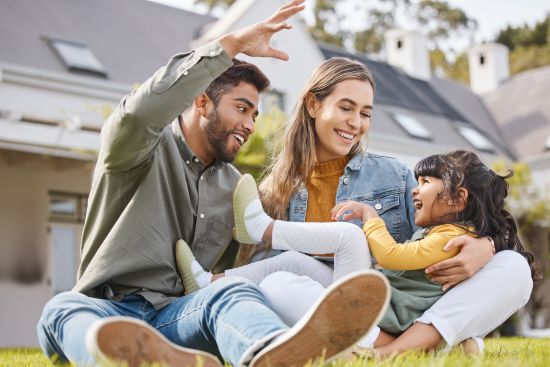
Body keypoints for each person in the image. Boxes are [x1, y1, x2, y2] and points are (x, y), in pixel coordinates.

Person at [35, 2, 391, 366]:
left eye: (255, 114)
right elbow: (140, 112)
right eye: (241, 108)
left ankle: (269, 350)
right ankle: (118, 357)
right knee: (60, 309)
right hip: (108, 306)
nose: (251, 125)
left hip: (178, 315)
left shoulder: (236, 188)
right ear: (202, 101)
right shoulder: (139, 149)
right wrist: (230, 47)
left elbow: (263, 263)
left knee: (231, 292)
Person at [181, 56, 534, 355]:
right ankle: (418, 347)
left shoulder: (394, 177)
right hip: (332, 309)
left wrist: (485, 247)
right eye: (346, 108)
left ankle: (396, 348)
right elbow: (265, 277)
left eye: (365, 113)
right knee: (278, 286)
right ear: (313, 105)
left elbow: (438, 233)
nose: (356, 123)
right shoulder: (272, 194)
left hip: (395, 305)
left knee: (515, 268)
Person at [178, 148, 537, 357]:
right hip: (375, 305)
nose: (416, 189)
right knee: (285, 273)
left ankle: (264, 230)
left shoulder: (445, 235)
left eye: (426, 182)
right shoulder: (437, 229)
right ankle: (211, 282)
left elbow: (393, 257)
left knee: (350, 240)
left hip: (382, 309)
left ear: (459, 200)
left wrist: (371, 218)